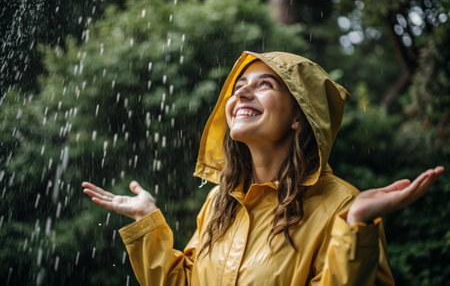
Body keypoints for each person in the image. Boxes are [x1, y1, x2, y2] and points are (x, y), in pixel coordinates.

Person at [82, 51, 444, 286]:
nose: (240, 94)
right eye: (238, 88)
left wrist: (357, 227)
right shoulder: (219, 203)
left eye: (264, 85)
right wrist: (148, 221)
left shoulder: (342, 207)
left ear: (299, 117)